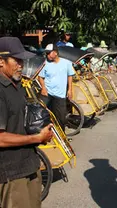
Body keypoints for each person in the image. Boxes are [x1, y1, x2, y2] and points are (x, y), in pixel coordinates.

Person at [0, 36, 53, 208]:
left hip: (29, 165)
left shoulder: (17, 85)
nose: (21, 65)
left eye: (22, 60)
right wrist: (36, 138)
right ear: (1, 61)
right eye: (16, 60)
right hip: (11, 174)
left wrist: (40, 130)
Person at [38, 44, 75, 133]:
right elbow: (40, 77)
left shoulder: (66, 63)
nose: (47, 55)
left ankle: (62, 136)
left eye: (49, 53)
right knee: (42, 114)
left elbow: (70, 76)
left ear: (55, 52)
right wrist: (43, 88)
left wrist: (70, 90)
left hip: (60, 95)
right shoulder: (45, 63)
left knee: (61, 118)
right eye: (46, 53)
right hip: (47, 93)